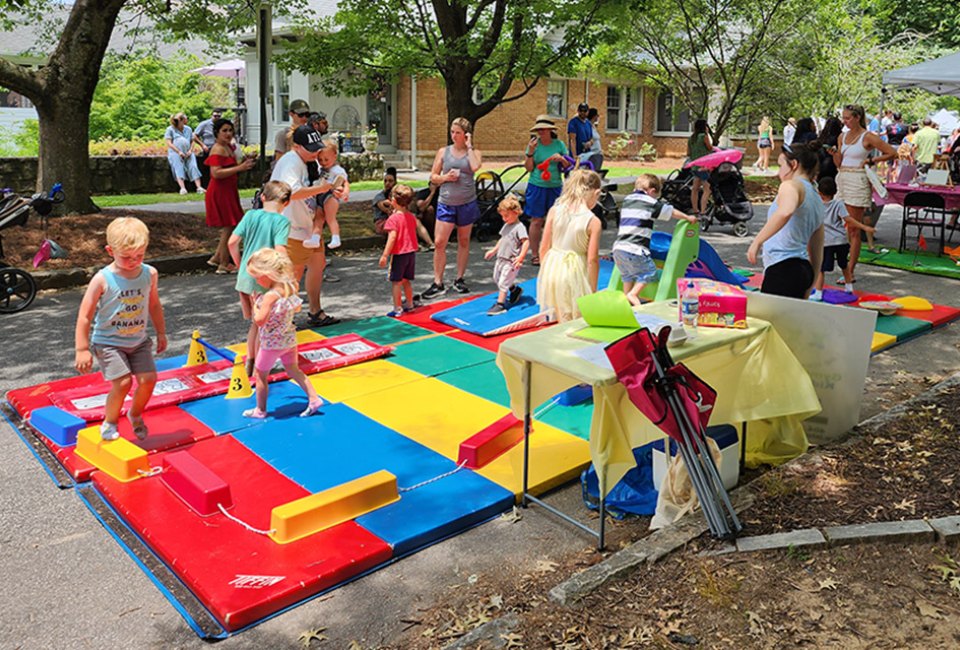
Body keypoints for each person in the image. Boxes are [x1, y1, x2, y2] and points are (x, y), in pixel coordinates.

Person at [74, 217, 167, 441]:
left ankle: (135, 414)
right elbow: (85, 315)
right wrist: (82, 349)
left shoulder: (149, 274)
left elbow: (154, 304)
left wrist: (161, 332)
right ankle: (110, 421)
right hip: (108, 342)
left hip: (138, 341)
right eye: (126, 257)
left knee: (148, 380)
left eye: (139, 256)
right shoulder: (103, 279)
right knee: (123, 382)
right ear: (110, 250)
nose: (133, 261)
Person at [270, 124, 340, 327]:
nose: (316, 153)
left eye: (317, 148)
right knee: (293, 274)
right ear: (297, 146)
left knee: (317, 265)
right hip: (292, 228)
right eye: (311, 149)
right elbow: (292, 192)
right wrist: (321, 188)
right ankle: (282, 318)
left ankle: (315, 311)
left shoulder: (308, 161)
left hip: (308, 227)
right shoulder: (291, 161)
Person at [242, 247, 323, 419]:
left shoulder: (270, 296)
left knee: (261, 375)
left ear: (268, 274)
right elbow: (297, 306)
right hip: (289, 339)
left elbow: (259, 320)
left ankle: (260, 410)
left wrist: (256, 304)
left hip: (271, 343)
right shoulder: (289, 287)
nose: (256, 281)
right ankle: (314, 399)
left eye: (257, 277)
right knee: (294, 369)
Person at [228, 180, 291, 376]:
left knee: (254, 323)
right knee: (261, 324)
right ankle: (258, 366)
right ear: (286, 203)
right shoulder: (281, 222)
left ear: (262, 197)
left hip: (246, 277)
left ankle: (252, 360)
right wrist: (286, 275)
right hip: (264, 278)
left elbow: (232, 242)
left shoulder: (251, 215)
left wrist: (240, 265)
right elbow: (280, 250)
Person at [746, 143, 825, 299]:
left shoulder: (790, 185)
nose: (779, 173)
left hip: (784, 270)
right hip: (803, 271)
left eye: (781, 165)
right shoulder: (816, 198)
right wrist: (810, 285)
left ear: (794, 165)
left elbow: (785, 211)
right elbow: (817, 249)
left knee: (772, 322)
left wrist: (757, 242)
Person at [421, 117, 482, 299]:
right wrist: (446, 177)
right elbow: (433, 176)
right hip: (446, 203)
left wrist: (469, 146)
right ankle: (438, 281)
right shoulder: (443, 152)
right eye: (452, 132)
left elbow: (475, 166)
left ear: (466, 135)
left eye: (458, 133)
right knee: (440, 242)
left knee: (464, 241)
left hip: (467, 203)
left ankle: (459, 278)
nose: (454, 136)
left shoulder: (475, 152)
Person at [832, 104, 896, 279]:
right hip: (842, 177)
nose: (844, 121)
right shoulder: (842, 136)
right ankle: (844, 264)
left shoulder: (867, 136)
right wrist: (834, 154)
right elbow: (839, 162)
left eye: (847, 118)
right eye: (843, 117)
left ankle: (850, 270)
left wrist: (872, 160)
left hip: (858, 179)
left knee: (853, 227)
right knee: (839, 223)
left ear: (857, 117)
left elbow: (891, 152)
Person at [613, 174, 697, 306]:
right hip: (635, 247)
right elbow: (670, 212)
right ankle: (633, 294)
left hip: (619, 247)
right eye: (656, 196)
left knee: (627, 275)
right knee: (649, 271)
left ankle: (625, 299)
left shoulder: (628, 199)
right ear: (651, 191)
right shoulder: (649, 201)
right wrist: (687, 217)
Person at [536, 168, 603, 323]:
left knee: (561, 314)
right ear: (596, 193)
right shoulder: (593, 221)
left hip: (553, 267)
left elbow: (543, 247)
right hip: (575, 271)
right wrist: (592, 289)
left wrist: (545, 273)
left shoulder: (554, 211)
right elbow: (592, 260)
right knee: (577, 319)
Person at [809, 177, 875, 301]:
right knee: (844, 265)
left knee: (820, 269)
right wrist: (864, 227)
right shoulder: (838, 204)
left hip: (826, 242)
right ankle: (849, 287)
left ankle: (818, 292)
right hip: (841, 240)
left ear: (819, 192)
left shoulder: (816, 205)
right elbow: (848, 219)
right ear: (835, 192)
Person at [205, 118, 256, 274]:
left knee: (232, 224)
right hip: (220, 191)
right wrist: (240, 168)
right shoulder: (218, 149)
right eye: (224, 130)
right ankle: (224, 263)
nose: (228, 133)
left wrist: (245, 162)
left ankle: (216, 258)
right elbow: (216, 173)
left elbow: (231, 166)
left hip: (229, 190)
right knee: (230, 225)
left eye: (230, 130)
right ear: (217, 133)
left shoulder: (227, 147)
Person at [524, 115, 571, 265]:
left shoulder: (559, 144)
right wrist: (530, 152)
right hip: (537, 185)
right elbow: (529, 168)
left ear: (551, 130)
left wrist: (562, 159)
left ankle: (552, 251)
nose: (541, 132)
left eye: (544, 129)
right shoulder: (534, 145)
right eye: (539, 130)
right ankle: (535, 254)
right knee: (536, 220)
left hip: (555, 186)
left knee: (556, 221)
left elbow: (568, 167)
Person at [483, 194, 529, 315]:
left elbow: (526, 242)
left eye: (506, 215)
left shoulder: (520, 227)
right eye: (502, 216)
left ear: (516, 212)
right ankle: (515, 290)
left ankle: (500, 304)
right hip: (501, 258)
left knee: (503, 282)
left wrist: (521, 257)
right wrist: (494, 250)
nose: (504, 218)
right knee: (497, 278)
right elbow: (502, 239)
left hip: (511, 260)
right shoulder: (507, 225)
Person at [378, 184, 420, 317]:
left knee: (396, 281)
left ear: (393, 201)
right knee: (406, 280)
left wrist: (385, 255)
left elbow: (392, 237)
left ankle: (398, 308)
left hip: (399, 253)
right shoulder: (411, 216)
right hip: (410, 252)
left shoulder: (393, 219)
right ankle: (410, 304)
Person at [303, 140, 349, 250]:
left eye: (326, 159)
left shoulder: (338, 170)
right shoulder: (320, 169)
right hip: (320, 195)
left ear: (334, 156)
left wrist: (345, 192)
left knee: (330, 217)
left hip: (330, 195)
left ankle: (336, 237)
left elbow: (346, 182)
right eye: (320, 160)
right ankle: (315, 238)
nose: (323, 162)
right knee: (318, 218)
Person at [164, 113, 204, 195]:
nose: (187, 120)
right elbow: (169, 143)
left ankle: (199, 187)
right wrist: (179, 152)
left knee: (193, 166)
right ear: (181, 120)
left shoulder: (188, 129)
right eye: (185, 118)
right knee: (179, 168)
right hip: (175, 153)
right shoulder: (170, 129)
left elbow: (192, 141)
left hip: (188, 152)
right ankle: (182, 188)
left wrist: (190, 150)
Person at [687, 119, 713, 218]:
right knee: (707, 189)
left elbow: (688, 153)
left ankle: (695, 210)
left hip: (694, 166)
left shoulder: (691, 138)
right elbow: (710, 148)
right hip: (704, 166)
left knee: (695, 189)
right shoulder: (703, 137)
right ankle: (703, 211)